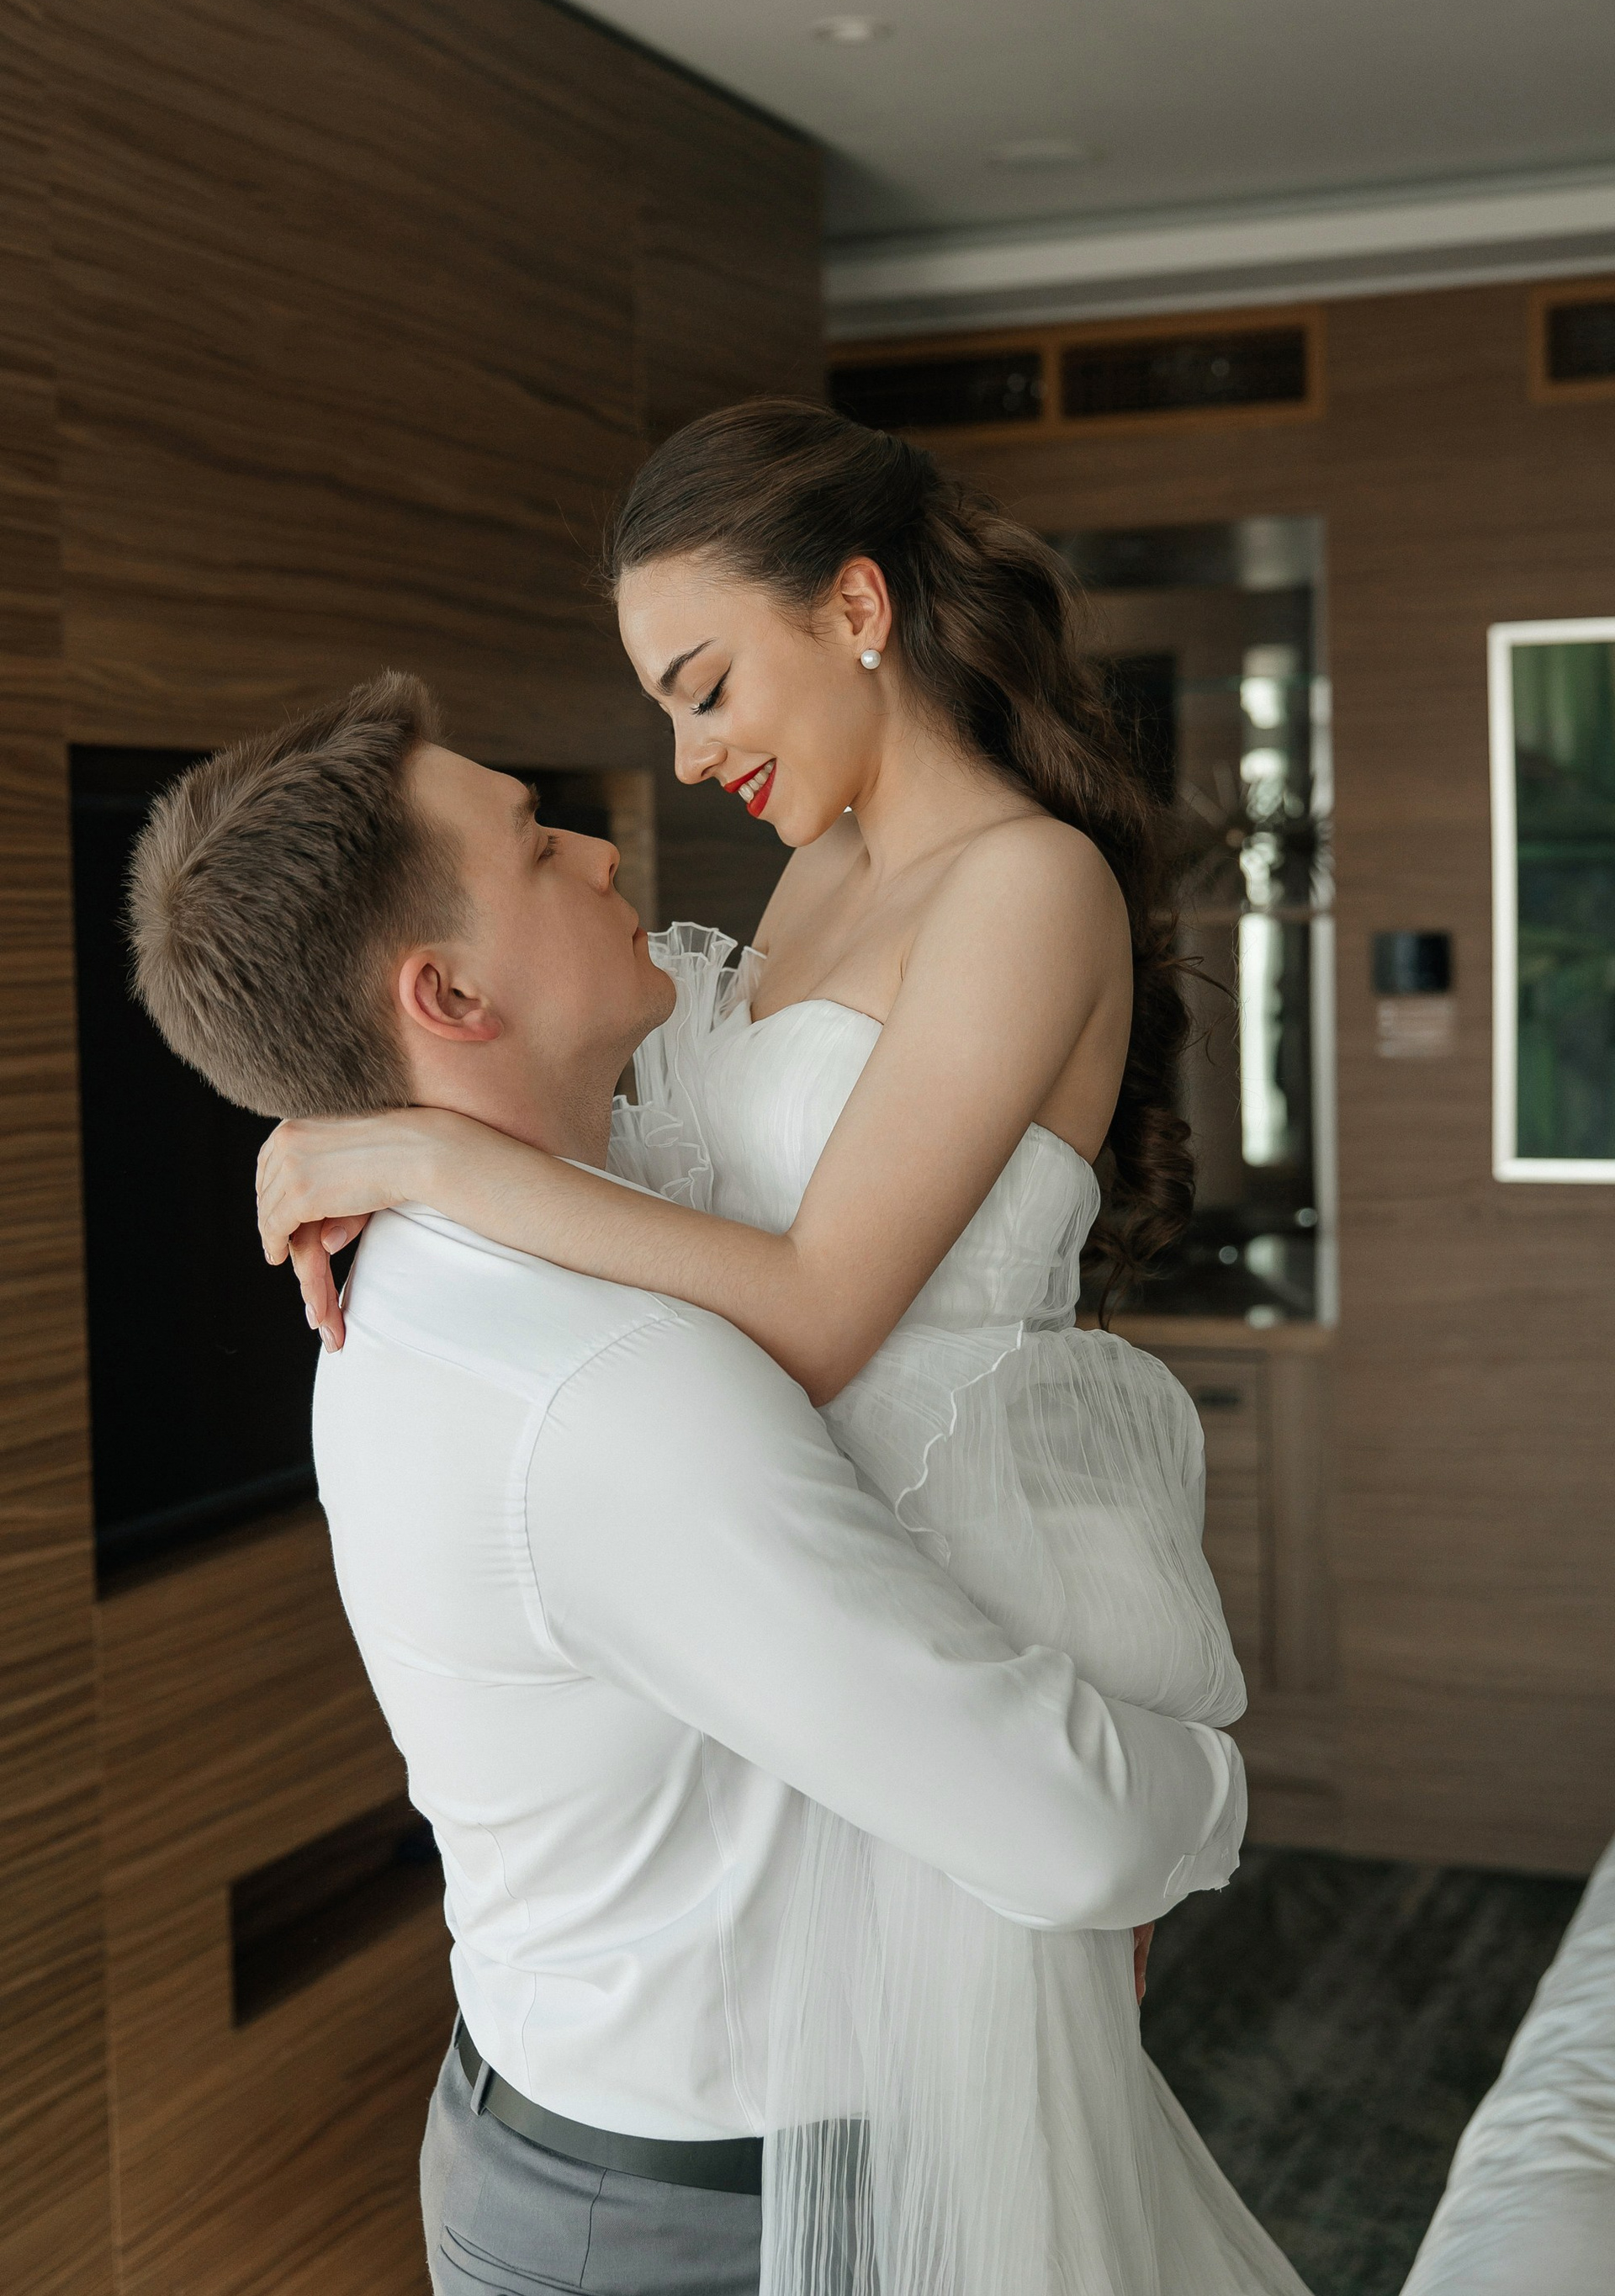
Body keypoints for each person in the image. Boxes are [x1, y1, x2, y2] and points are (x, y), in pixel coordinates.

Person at [252, 408, 1311, 2294]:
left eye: (707, 685)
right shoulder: (821, 870)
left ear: (857, 607)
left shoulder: (1029, 886)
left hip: (941, 1573)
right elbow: (655, 1169)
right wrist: (369, 1120)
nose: (689, 756)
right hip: (813, 1598)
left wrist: (435, 1158)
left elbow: (820, 1307)